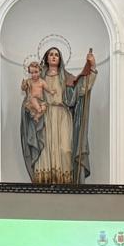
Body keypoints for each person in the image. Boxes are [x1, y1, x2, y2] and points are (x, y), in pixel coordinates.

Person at [20, 46, 98, 185]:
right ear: (46, 58)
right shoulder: (38, 77)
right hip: (45, 117)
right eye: (51, 54)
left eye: (56, 54)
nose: (54, 57)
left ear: (60, 58)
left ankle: (65, 183)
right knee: (44, 150)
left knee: (65, 150)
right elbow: (30, 96)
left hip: (63, 116)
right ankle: (44, 183)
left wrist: (92, 67)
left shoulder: (66, 78)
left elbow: (81, 88)